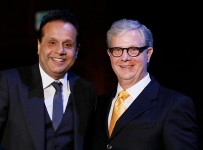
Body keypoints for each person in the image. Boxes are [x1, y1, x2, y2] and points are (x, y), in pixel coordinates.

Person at [92, 19, 199, 150]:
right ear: (109, 54)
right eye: (117, 50)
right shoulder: (98, 104)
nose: (125, 57)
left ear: (148, 53)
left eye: (133, 49)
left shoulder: (174, 105)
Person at [0, 9, 97, 150]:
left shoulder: (87, 90)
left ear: (77, 51)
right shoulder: (8, 83)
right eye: (52, 42)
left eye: (68, 44)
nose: (60, 51)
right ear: (39, 46)